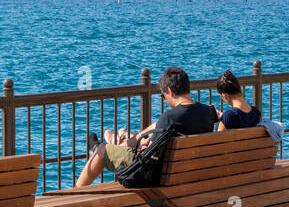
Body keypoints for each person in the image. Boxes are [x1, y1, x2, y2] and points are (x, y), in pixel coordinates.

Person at [76, 66, 218, 186]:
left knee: (103, 150)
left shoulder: (169, 117)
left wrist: (142, 144)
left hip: (157, 175)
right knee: (140, 137)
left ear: (169, 91)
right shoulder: (208, 112)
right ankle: (119, 142)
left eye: (163, 96)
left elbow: (150, 157)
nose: (165, 100)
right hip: (190, 173)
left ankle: (76, 192)